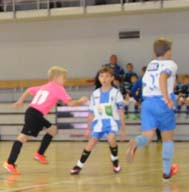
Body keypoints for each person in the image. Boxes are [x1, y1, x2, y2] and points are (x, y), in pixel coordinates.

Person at [3, 66, 87, 175]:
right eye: (64, 77)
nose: (65, 80)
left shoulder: (44, 86)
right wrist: (81, 101)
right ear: (56, 78)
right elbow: (71, 104)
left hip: (33, 113)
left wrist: (20, 101)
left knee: (53, 130)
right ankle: (10, 162)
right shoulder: (59, 88)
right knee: (23, 137)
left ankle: (39, 154)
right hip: (35, 115)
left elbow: (29, 90)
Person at [126, 37, 178, 180]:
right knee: (167, 138)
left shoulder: (151, 64)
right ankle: (166, 172)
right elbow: (162, 77)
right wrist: (167, 98)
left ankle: (136, 142)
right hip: (162, 102)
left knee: (147, 136)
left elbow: (145, 83)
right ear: (168, 52)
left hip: (147, 102)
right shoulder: (171, 64)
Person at [70, 66, 126, 175]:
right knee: (91, 143)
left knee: (111, 139)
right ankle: (79, 165)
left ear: (112, 78)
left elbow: (121, 111)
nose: (104, 78)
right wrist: (88, 128)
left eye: (107, 76)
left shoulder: (116, 93)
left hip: (112, 122)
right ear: (99, 78)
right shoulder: (95, 94)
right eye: (101, 76)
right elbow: (91, 113)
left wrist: (123, 130)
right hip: (98, 122)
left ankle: (115, 161)